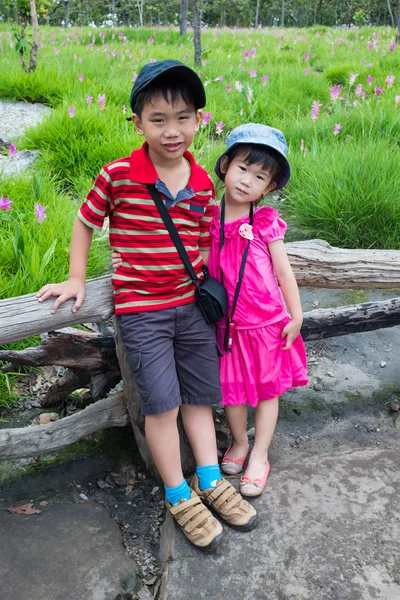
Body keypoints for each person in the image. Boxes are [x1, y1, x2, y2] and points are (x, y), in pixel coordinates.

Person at [36, 60, 257, 551]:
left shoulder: (202, 182)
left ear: (200, 119)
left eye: (182, 117)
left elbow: (201, 244)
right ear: (137, 123)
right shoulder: (117, 175)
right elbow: (84, 222)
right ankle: (178, 494)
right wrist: (75, 277)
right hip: (143, 313)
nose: (172, 130)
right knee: (163, 405)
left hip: (191, 310)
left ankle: (208, 479)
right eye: (158, 119)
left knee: (200, 398)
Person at [210, 123, 308, 497]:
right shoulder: (208, 217)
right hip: (227, 325)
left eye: (259, 176)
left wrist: (296, 316)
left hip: (267, 322)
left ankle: (260, 455)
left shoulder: (265, 222)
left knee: (267, 392)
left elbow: (283, 272)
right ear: (225, 165)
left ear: (269, 187)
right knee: (231, 392)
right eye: (242, 168)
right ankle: (239, 442)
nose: (247, 180)